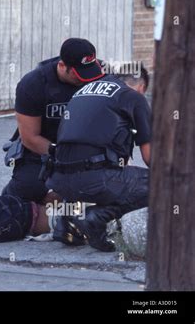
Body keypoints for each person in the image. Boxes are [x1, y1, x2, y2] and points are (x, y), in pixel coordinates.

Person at [1, 38, 106, 244]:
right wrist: (62, 156)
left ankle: (69, 205)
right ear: (62, 66)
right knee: (19, 200)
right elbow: (30, 138)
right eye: (79, 76)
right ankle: (30, 198)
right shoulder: (33, 84)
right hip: (42, 151)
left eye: (89, 73)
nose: (86, 80)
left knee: (108, 184)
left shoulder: (98, 76)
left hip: (84, 147)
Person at [46, 62, 151, 252]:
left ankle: (67, 222)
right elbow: (149, 157)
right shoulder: (133, 97)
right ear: (142, 87)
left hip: (59, 180)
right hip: (93, 180)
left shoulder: (84, 91)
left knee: (101, 169)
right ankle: (98, 217)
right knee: (161, 184)